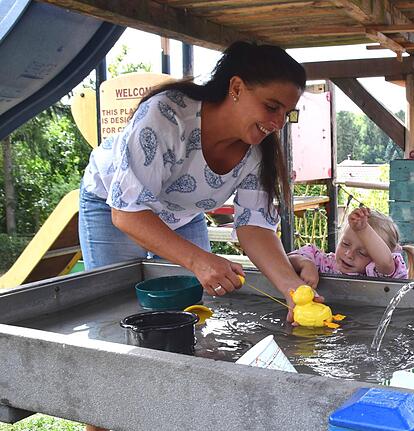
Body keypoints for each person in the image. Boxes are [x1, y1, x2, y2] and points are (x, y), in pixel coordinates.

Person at [78, 41, 310, 318]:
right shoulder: (166, 116)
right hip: (113, 206)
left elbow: (255, 226)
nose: (278, 123)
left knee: (190, 311)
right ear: (236, 88)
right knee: (118, 311)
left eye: (287, 113)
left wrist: (293, 290)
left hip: (182, 214)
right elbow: (127, 212)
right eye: (272, 107)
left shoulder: (259, 151)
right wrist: (198, 260)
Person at [288, 207, 414, 285]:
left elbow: (385, 263)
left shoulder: (378, 273)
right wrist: (305, 264)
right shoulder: (325, 262)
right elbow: (285, 260)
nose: (349, 255)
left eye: (363, 253)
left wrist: (363, 230)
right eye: (345, 244)